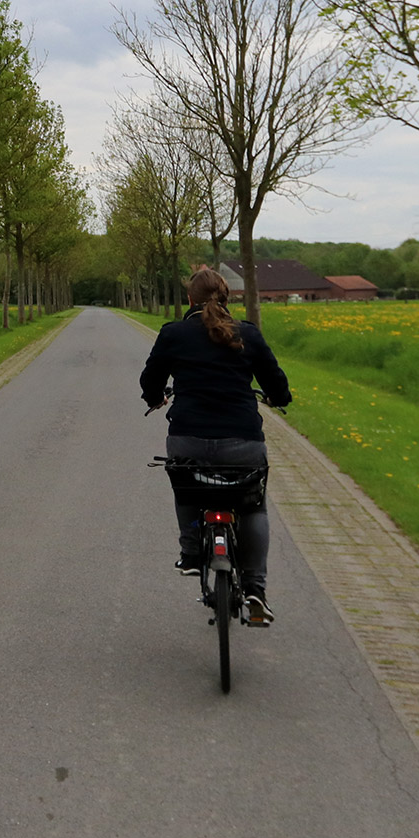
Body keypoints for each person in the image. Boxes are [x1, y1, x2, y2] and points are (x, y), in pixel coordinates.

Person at [138, 268, 292, 626]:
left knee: (187, 488)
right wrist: (276, 397)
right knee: (253, 507)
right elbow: (277, 383)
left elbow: (150, 379)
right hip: (243, 443)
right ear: (227, 298)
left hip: (188, 438)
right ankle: (255, 587)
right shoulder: (248, 335)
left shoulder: (174, 334)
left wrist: (156, 397)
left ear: (189, 299)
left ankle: (192, 552)